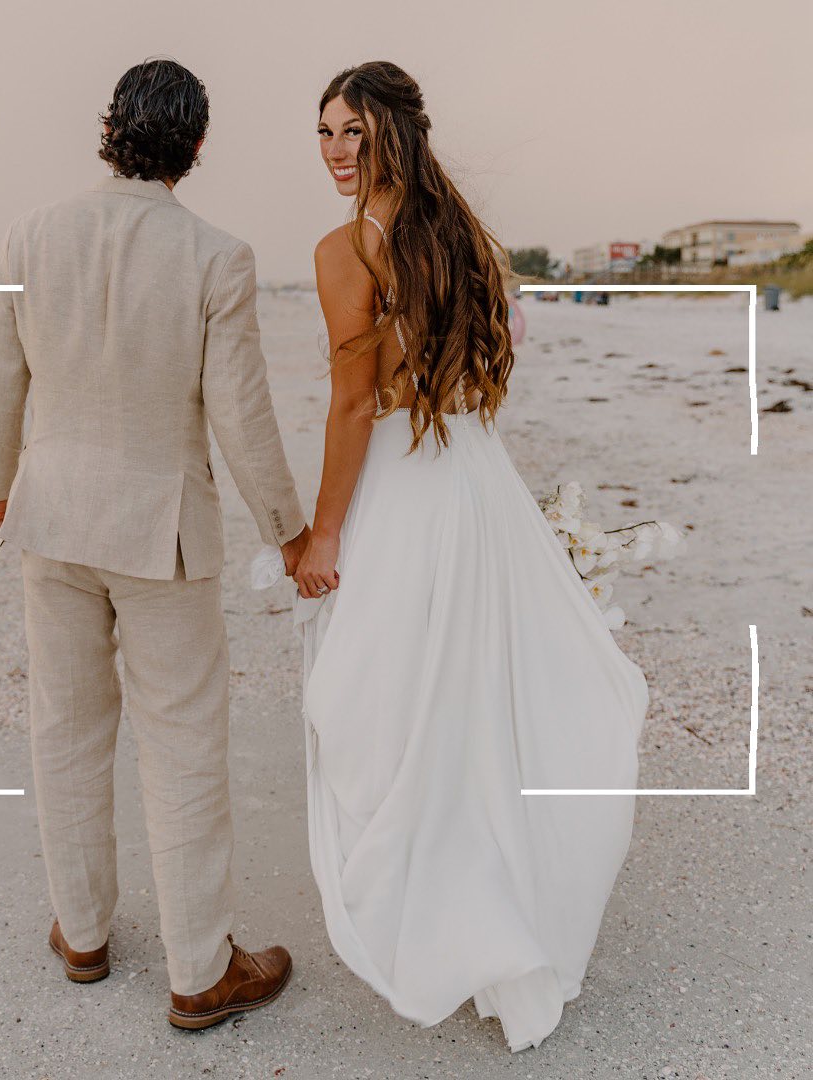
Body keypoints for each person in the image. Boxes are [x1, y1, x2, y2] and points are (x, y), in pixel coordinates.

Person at [291, 61, 649, 1053]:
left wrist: (324, 531)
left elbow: (355, 403)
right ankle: (498, 913)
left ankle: (462, 920)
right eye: (322, 133)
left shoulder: (344, 248)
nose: (334, 152)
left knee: (390, 706)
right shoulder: (463, 240)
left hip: (411, 488)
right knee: (474, 703)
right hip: (477, 481)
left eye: (353, 133)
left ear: (394, 135)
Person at [0, 58, 307, 1030]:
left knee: (66, 730)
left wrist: (1, 488)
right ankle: (201, 974)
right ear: (194, 146)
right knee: (184, 745)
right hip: (160, 532)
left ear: (112, 128)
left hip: (52, 518)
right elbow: (241, 412)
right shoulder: (216, 254)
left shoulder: (30, 236)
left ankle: (82, 933)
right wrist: (286, 529)